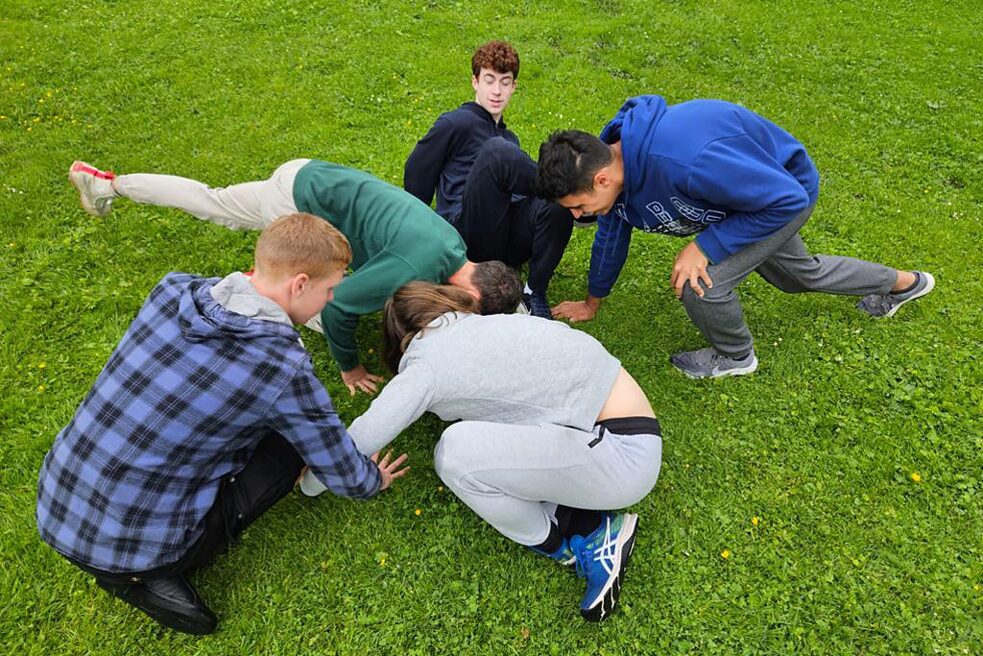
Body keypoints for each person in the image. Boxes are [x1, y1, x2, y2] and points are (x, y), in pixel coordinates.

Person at [36, 213, 409, 635]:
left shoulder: (173, 290)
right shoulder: (279, 366)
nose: (331, 300)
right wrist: (372, 480)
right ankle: (144, 578)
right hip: (139, 548)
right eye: (330, 290)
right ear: (300, 284)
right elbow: (337, 467)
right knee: (292, 446)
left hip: (54, 500)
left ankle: (132, 565)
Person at [300, 282, 663, 621]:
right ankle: (584, 521)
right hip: (628, 430)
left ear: (401, 341)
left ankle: (588, 537)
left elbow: (364, 434)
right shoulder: (492, 323)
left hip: (620, 457)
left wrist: (308, 484)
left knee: (455, 453)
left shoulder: (425, 365)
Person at [536, 95, 935, 379]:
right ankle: (905, 284)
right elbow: (611, 234)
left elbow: (786, 199)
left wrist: (706, 246)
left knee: (699, 284)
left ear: (601, 178)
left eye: (577, 206)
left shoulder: (685, 161)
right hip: (744, 201)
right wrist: (592, 302)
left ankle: (735, 356)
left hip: (782, 194)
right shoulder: (615, 179)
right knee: (798, 276)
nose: (576, 217)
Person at [68, 158, 522, 395]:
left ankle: (110, 184)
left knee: (216, 202)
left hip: (305, 174)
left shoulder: (452, 244)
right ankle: (241, 290)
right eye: (470, 311)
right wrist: (351, 367)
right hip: (297, 206)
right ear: (471, 294)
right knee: (314, 303)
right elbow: (344, 305)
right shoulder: (415, 269)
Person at [404, 40, 574, 319]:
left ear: (514, 87)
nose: (497, 91)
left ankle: (534, 292)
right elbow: (417, 172)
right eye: (489, 80)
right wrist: (419, 242)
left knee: (556, 203)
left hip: (504, 239)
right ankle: (570, 188)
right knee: (500, 154)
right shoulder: (455, 123)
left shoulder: (510, 139)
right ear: (475, 81)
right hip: (464, 234)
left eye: (505, 82)